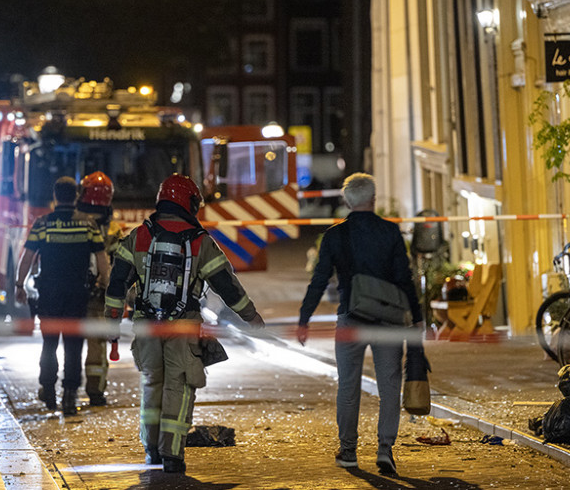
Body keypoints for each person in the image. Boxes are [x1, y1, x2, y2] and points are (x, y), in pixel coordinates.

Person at [104, 174, 265, 474]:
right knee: (179, 385)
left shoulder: (140, 236)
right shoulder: (201, 241)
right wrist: (251, 317)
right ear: (188, 203)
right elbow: (227, 285)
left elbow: (116, 283)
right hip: (183, 326)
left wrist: (112, 323)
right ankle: (173, 455)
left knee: (152, 384)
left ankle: (151, 448)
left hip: (146, 325)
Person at [296, 172, 423, 476]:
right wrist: (417, 318)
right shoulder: (390, 233)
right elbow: (405, 278)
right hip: (388, 322)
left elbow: (319, 280)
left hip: (350, 319)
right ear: (373, 199)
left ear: (347, 201)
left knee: (348, 387)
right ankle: (385, 449)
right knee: (389, 386)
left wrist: (304, 318)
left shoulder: (335, 236)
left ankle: (349, 450)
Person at [15, 176, 109, 416]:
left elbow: (27, 257)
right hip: (77, 293)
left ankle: (48, 390)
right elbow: (101, 258)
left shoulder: (43, 224)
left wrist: (20, 285)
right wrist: (104, 283)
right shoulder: (88, 225)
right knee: (74, 346)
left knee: (49, 344)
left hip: (49, 293)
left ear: (55, 196)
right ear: (76, 196)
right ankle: (69, 397)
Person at [75, 171, 125, 407]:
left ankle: (67, 388)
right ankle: (95, 392)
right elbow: (119, 263)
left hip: (72, 293)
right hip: (99, 294)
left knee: (69, 342)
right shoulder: (113, 228)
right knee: (97, 345)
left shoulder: (73, 220)